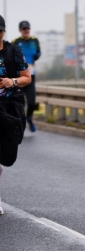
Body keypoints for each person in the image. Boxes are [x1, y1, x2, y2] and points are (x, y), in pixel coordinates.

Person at [0, 15, 31, 214]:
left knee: (8, 157)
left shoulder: (13, 52)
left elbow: (26, 78)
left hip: (9, 108)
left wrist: (12, 81)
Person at [12, 21, 41, 132]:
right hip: (19, 77)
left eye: (27, 28)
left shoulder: (35, 40)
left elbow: (38, 52)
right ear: (20, 30)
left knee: (32, 103)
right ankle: (20, 123)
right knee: (19, 103)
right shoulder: (15, 42)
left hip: (31, 76)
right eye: (24, 29)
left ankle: (29, 118)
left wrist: (36, 56)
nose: (26, 30)